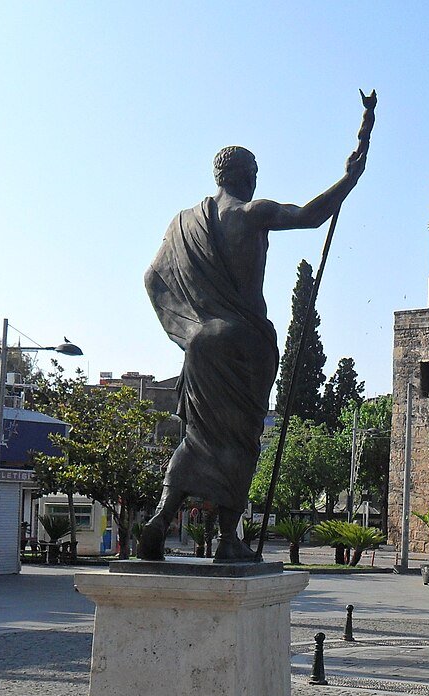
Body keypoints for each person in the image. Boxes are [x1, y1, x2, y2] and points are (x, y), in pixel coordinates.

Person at [137, 91, 376, 562]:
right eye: (254, 173)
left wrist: (189, 331)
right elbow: (310, 216)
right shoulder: (252, 213)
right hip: (243, 342)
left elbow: (152, 278)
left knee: (197, 436)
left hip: (201, 345)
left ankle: (162, 519)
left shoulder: (183, 222)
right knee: (242, 437)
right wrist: (350, 179)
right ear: (245, 176)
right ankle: (228, 539)